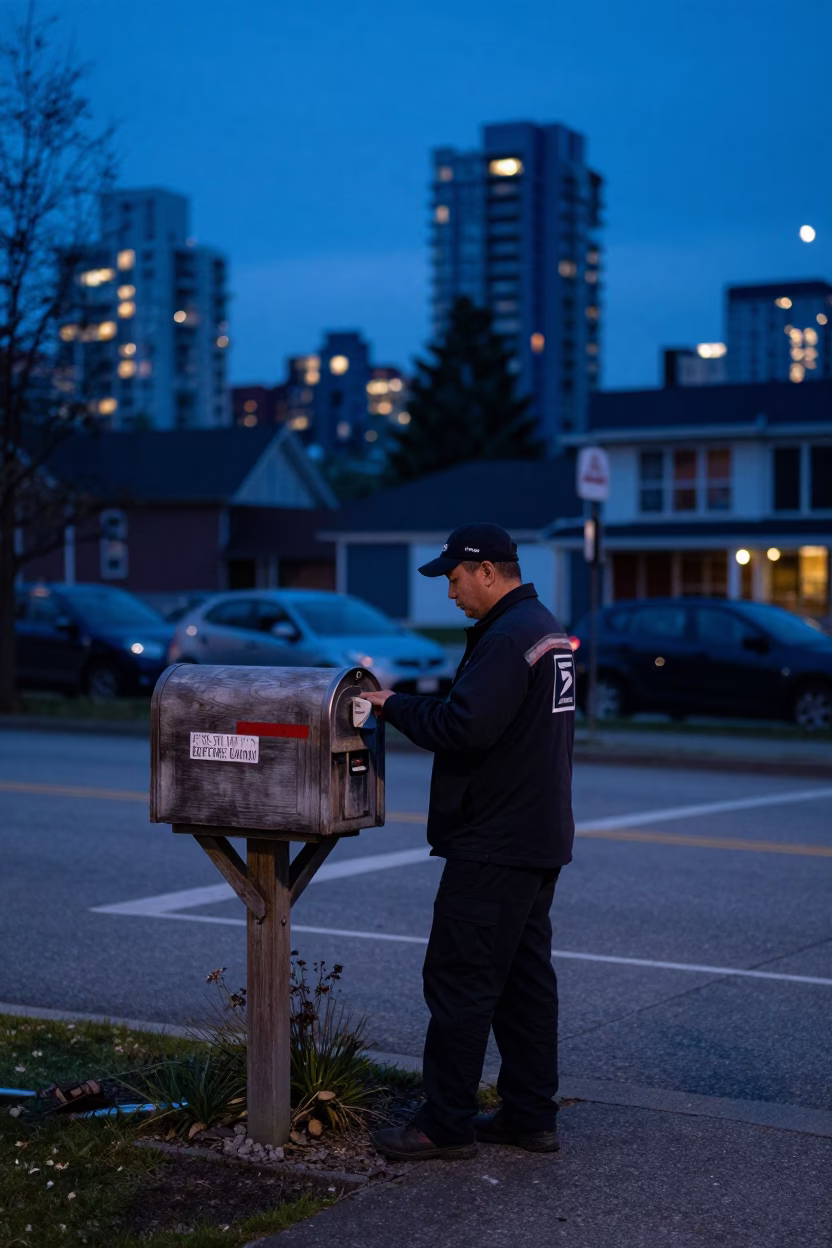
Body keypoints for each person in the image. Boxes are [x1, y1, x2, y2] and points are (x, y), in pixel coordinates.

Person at [366, 522, 576, 1162]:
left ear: (487, 570)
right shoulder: (545, 630)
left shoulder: (511, 637)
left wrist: (391, 706)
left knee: (459, 981)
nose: (450, 594)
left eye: (454, 580)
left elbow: (464, 727)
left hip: (495, 843)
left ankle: (445, 1125)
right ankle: (529, 1115)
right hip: (536, 838)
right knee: (522, 983)